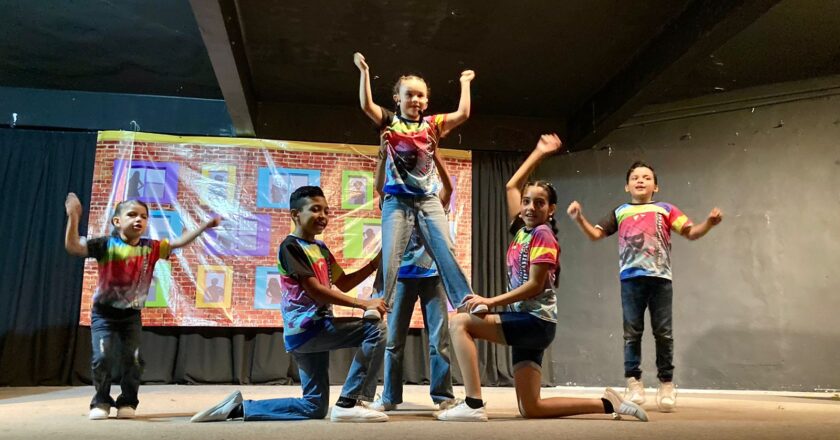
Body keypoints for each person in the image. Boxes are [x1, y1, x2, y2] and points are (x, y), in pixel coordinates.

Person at [436, 135, 648, 422]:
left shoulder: (542, 235)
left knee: (460, 322)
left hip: (535, 323)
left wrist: (490, 300)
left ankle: (473, 404)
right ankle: (608, 404)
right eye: (527, 202)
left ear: (551, 210)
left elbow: (534, 286)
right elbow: (512, 185)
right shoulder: (523, 230)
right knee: (532, 408)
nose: (530, 208)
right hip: (528, 322)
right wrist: (539, 152)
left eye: (539, 203)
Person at [191, 186, 390, 423]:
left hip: (312, 332)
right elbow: (316, 291)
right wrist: (363, 304)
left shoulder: (321, 249)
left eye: (326, 210)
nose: (323, 216)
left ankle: (239, 409)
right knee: (376, 330)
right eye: (315, 209)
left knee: (314, 406)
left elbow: (344, 283)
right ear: (295, 214)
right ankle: (350, 401)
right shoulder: (291, 247)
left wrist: (374, 263)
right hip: (308, 330)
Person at [567, 161, 723, 412]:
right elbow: (595, 235)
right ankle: (634, 383)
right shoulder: (620, 211)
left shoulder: (666, 209)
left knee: (664, 333)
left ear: (656, 186)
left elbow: (691, 232)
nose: (640, 180)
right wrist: (579, 218)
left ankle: (666, 385)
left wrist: (709, 223)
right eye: (635, 177)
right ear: (627, 185)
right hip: (630, 279)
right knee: (632, 333)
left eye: (647, 177)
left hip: (661, 279)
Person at [64, 193, 220, 420]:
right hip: (104, 315)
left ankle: (128, 401)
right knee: (102, 358)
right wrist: (74, 217)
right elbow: (73, 247)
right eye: (132, 215)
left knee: (133, 359)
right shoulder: (105, 245)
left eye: (144, 216)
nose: (139, 220)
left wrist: (204, 226)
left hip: (131, 317)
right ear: (117, 221)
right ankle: (101, 401)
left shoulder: (151, 247)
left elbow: (179, 242)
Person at [353, 52, 482, 320]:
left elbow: (463, 113)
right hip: (397, 200)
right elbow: (367, 106)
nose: (415, 100)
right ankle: (378, 304)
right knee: (390, 253)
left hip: (427, 198)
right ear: (397, 98)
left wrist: (465, 82)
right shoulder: (390, 121)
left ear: (426, 100)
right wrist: (364, 72)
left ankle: (466, 300)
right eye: (409, 94)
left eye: (420, 95)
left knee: (445, 247)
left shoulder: (431, 125)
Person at [369, 150, 458, 412]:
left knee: (438, 340)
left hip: (432, 277)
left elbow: (448, 189)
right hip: (403, 278)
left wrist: (436, 155)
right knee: (394, 341)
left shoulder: (430, 202)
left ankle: (443, 396)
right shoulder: (393, 203)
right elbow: (379, 187)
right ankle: (389, 397)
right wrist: (382, 157)